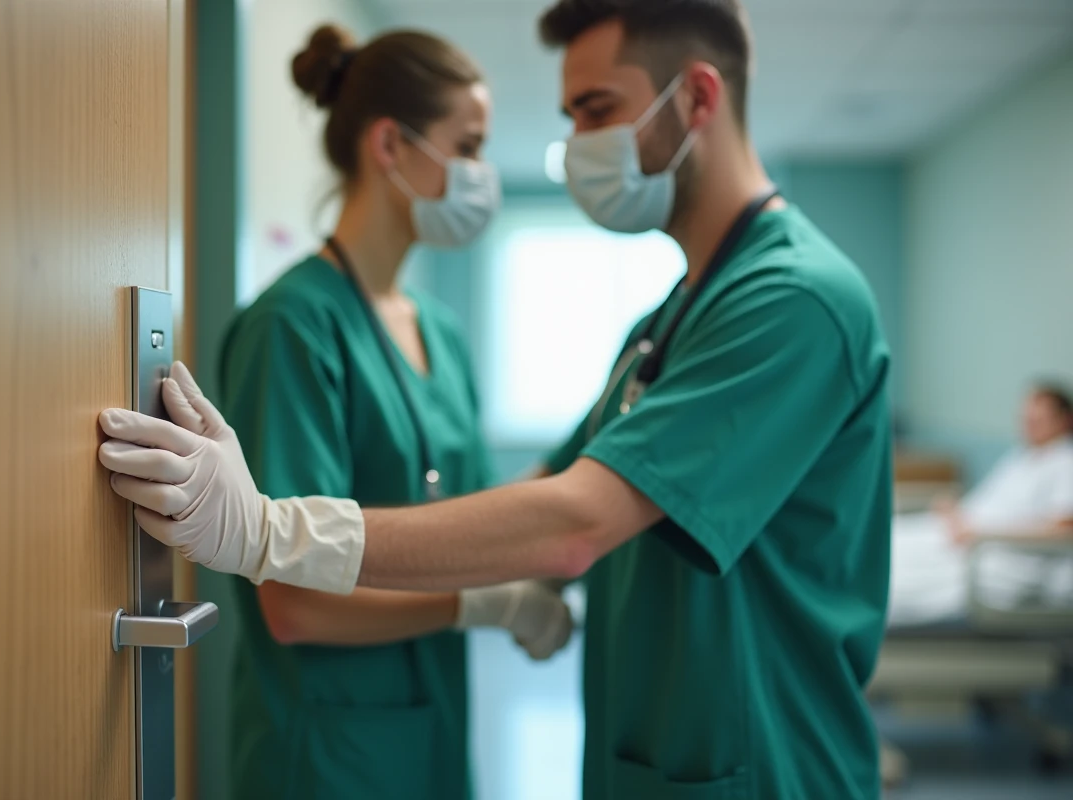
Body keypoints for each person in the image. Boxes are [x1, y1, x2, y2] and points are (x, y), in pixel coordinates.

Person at [98, 1, 893, 797]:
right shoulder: (672, 320)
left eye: (598, 111)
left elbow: (578, 516)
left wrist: (273, 530)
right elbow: (556, 488)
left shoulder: (792, 301)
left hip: (764, 762)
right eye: (572, 118)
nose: (579, 146)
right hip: (566, 754)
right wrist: (475, 592)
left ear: (698, 98)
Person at [220, 24, 572, 800]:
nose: (482, 172)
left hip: (433, 737)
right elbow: (295, 602)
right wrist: (484, 604)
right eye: (468, 145)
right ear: (391, 146)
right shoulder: (291, 328)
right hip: (324, 756)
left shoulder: (437, 331)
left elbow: (473, 520)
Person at [889, 382, 1073, 625]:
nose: (1029, 427)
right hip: (967, 536)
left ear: (1064, 420)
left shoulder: (1065, 462)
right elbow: (991, 503)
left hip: (999, 554)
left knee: (897, 565)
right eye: (1026, 420)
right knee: (893, 536)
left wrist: (979, 533)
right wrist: (954, 510)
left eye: (1038, 421)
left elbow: (1064, 529)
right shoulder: (1023, 457)